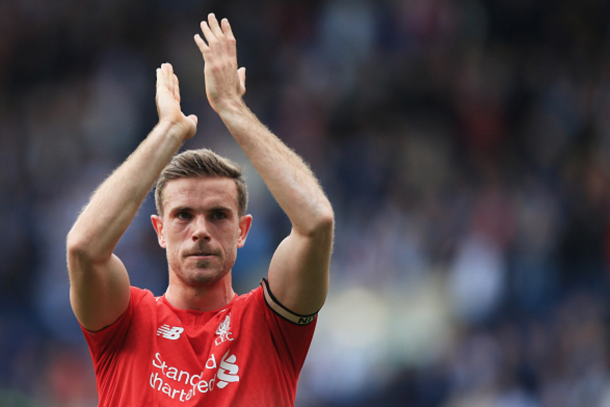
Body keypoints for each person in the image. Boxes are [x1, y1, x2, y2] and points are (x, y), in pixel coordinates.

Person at [66, 13, 334, 407]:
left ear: (243, 229)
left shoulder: (270, 325)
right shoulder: (126, 322)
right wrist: (167, 133)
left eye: (219, 215)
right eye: (183, 215)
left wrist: (231, 107)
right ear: (158, 229)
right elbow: (83, 250)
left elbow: (317, 222)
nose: (200, 230)